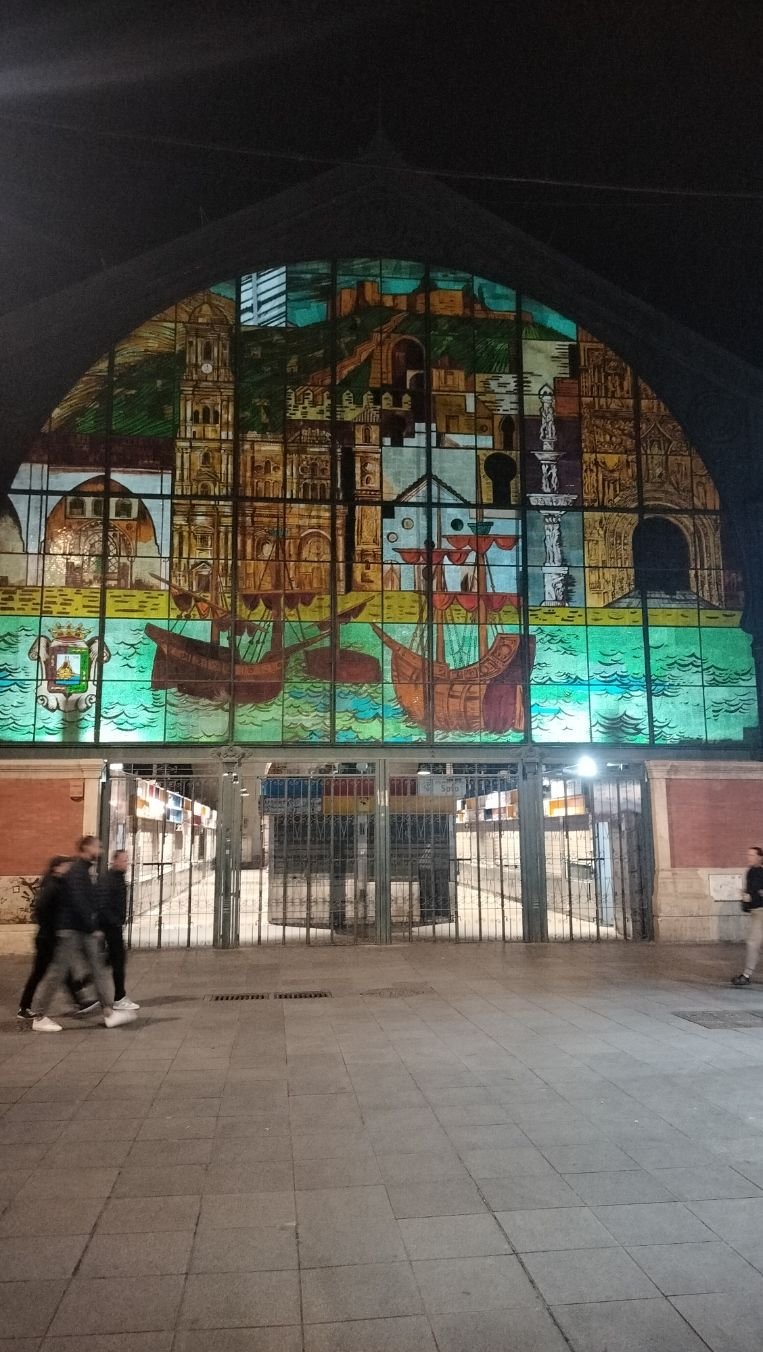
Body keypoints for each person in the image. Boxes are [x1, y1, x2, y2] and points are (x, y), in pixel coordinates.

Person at [31, 835, 137, 1033]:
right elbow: (79, 902)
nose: (101, 851)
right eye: (98, 847)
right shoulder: (77, 872)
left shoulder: (83, 870)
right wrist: (93, 926)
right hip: (71, 930)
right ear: (87, 847)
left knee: (98, 969)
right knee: (58, 972)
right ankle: (39, 1015)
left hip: (81, 929)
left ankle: (109, 1012)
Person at [17, 857, 98, 1020]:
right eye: (67, 866)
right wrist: (50, 929)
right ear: (57, 868)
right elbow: (40, 910)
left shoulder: (58, 884)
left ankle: (80, 1001)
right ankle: (24, 1008)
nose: (69, 869)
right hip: (46, 938)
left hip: (50, 937)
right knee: (41, 973)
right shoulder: (52, 886)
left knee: (61, 970)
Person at [98, 849, 139, 1012]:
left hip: (113, 926)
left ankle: (117, 996)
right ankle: (119, 998)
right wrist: (115, 921)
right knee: (118, 961)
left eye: (127, 860)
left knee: (111, 961)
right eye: (123, 860)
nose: (126, 863)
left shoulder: (118, 878)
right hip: (110, 927)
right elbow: (103, 904)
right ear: (114, 861)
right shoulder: (109, 880)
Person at [732, 846, 763, 987]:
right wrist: (745, 895)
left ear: (760, 857)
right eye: (748, 854)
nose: (749, 857)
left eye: (752, 855)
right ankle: (747, 974)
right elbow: (750, 890)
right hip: (756, 910)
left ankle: (746, 975)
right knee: (754, 943)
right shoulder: (750, 871)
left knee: (752, 943)